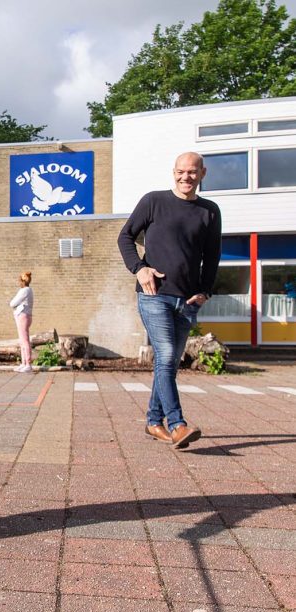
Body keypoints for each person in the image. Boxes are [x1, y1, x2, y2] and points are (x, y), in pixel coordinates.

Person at [117, 152, 221, 449]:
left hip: (187, 300)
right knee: (164, 357)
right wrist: (140, 269)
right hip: (155, 297)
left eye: (191, 172)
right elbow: (125, 237)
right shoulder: (154, 201)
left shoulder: (209, 211)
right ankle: (177, 424)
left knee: (170, 364)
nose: (185, 177)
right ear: (173, 172)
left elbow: (212, 256)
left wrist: (205, 291)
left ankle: (153, 421)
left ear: (203, 173)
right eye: (180, 171)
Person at [9, 271, 34, 372]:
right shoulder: (27, 290)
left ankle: (28, 364)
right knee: (22, 341)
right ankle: (24, 363)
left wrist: (13, 304)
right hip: (23, 316)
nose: (19, 283)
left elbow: (12, 303)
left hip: (23, 316)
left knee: (24, 341)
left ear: (23, 281)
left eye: (20, 281)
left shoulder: (25, 290)